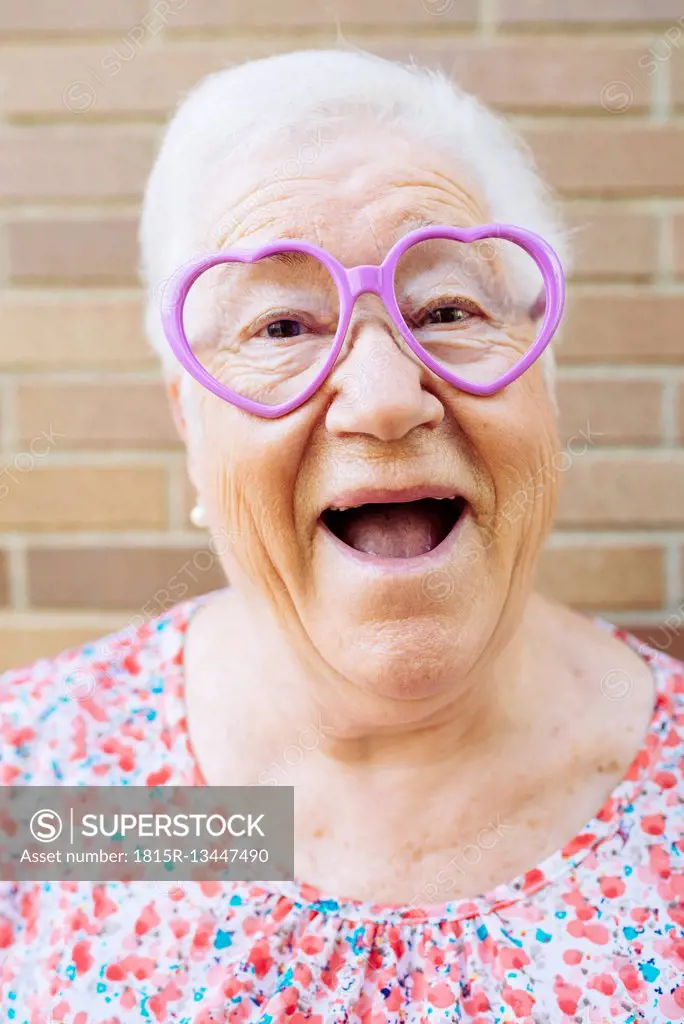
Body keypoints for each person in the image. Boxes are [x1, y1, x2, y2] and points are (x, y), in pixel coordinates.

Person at [1, 48, 682, 1024]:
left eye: (448, 308)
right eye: (282, 327)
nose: (383, 400)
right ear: (190, 423)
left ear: (547, 384)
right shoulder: (50, 784)